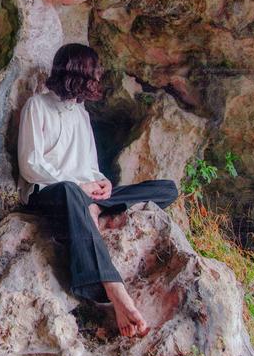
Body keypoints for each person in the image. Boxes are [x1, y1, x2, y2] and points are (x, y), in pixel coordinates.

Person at [17, 43, 179, 338]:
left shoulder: (81, 114)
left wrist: (102, 183)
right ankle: (113, 289)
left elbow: (89, 166)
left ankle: (92, 208)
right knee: (70, 191)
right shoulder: (37, 106)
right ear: (76, 72)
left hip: (83, 192)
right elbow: (30, 164)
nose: (97, 78)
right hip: (50, 193)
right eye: (93, 72)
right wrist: (80, 186)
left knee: (167, 189)